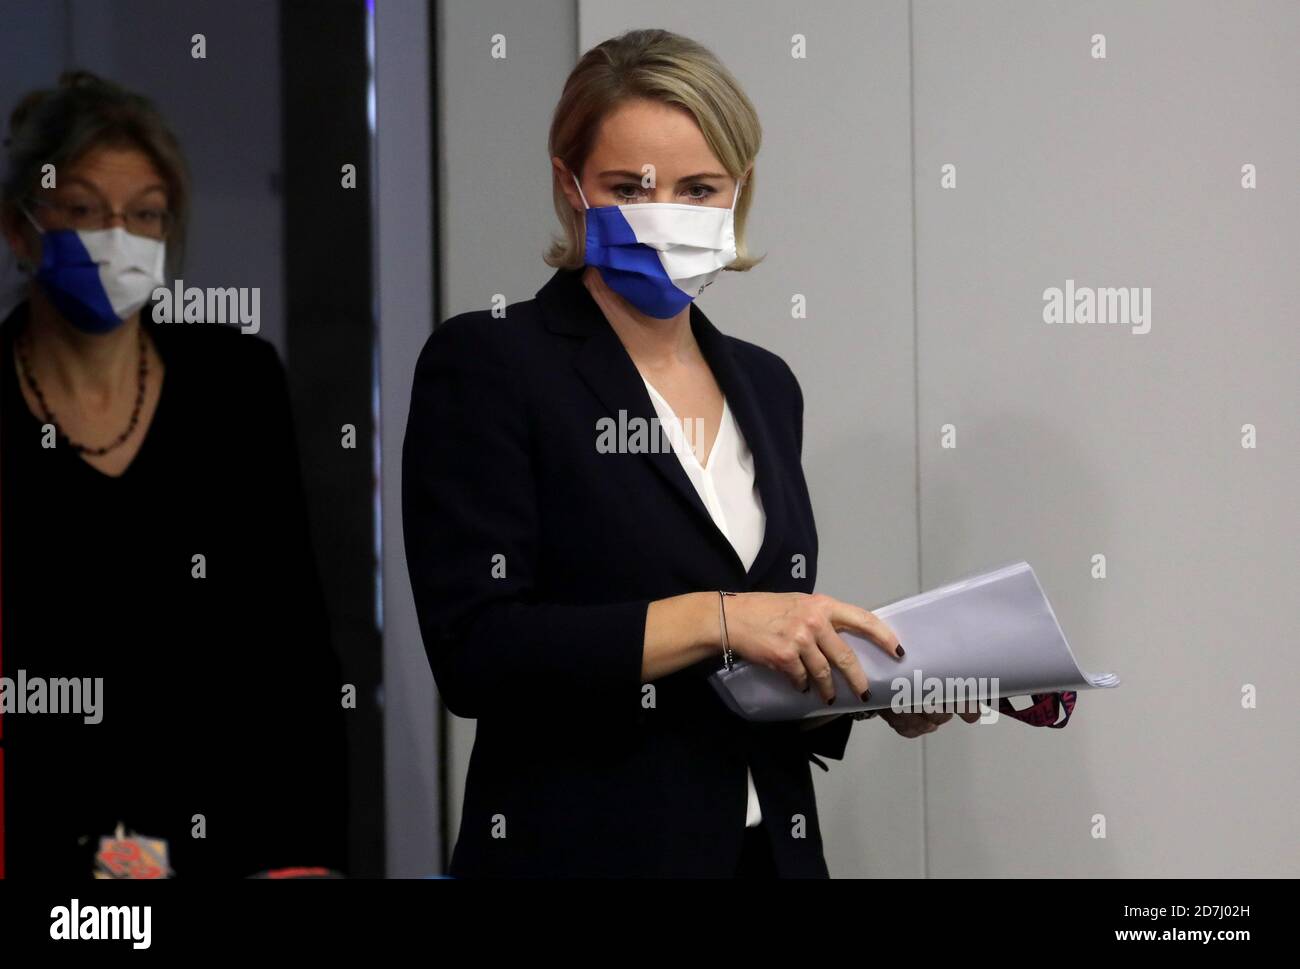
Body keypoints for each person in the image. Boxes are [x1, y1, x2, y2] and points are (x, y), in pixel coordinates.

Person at [402, 29, 973, 879]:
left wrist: (874, 689)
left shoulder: (766, 384)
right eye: (630, 186)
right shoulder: (491, 361)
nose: (665, 209)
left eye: (699, 188)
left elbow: (748, 669)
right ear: (570, 187)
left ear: (738, 193)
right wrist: (723, 615)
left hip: (767, 854)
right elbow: (479, 654)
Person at [0, 71, 347, 877]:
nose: (116, 236)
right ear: (20, 229)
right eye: (83, 209)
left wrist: (306, 857)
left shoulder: (237, 384)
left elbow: (295, 652)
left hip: (231, 845)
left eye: (145, 214)